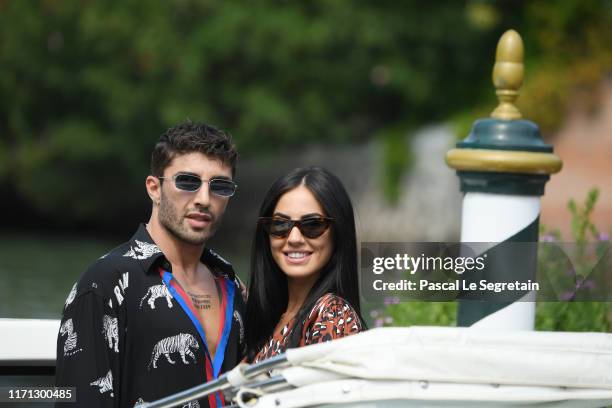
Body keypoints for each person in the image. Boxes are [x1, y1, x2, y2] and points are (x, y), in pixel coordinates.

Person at [55, 122, 245, 408]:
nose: (204, 199)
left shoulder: (233, 286)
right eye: (187, 182)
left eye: (219, 186)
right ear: (154, 188)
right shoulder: (105, 284)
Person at [245, 166, 365, 363]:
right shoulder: (270, 316)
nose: (294, 238)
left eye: (312, 225)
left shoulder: (332, 315)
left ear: (338, 233)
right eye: (280, 224)